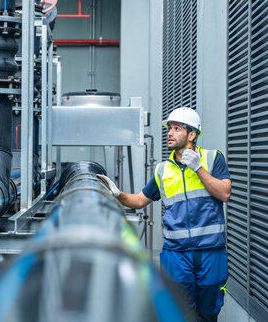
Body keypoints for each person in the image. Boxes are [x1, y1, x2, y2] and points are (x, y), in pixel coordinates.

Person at [97, 107, 231, 322]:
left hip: (210, 251)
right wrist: (117, 194)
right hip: (176, 254)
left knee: (209, 312)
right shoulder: (162, 170)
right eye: (169, 128)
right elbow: (140, 201)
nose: (169, 133)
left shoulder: (213, 159)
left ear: (192, 134)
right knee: (179, 312)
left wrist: (197, 168)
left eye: (177, 128)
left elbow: (224, 193)